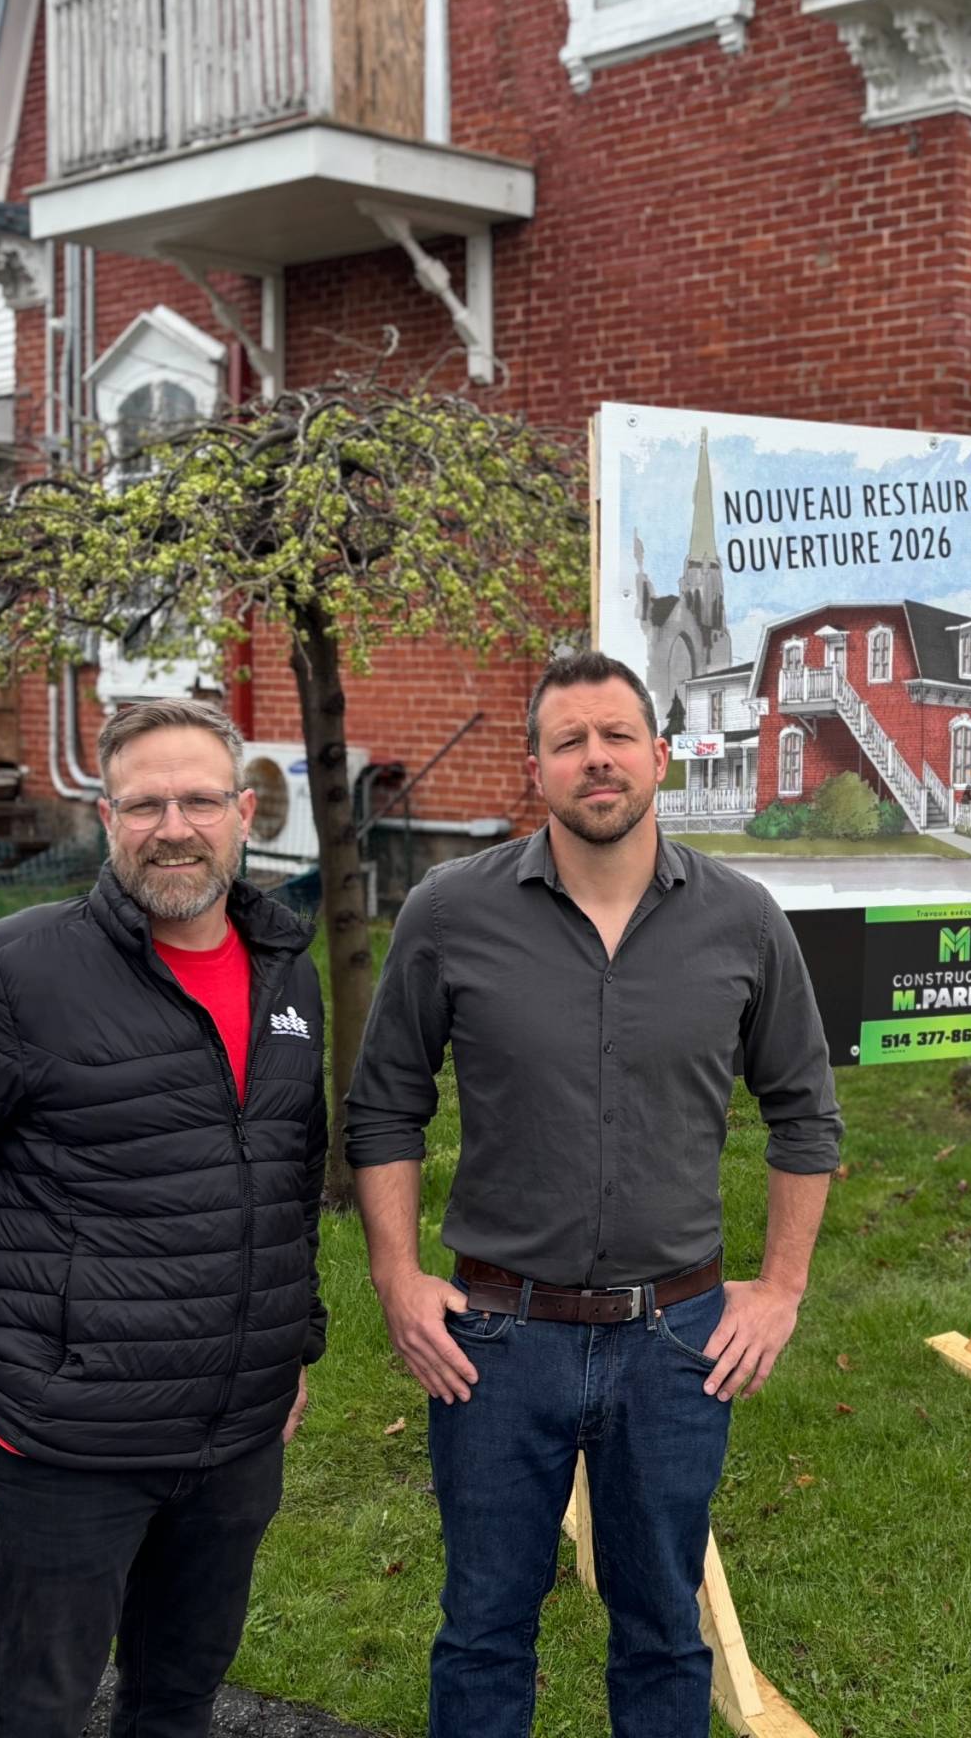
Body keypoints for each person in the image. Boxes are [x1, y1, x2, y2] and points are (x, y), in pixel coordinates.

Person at [347, 651, 840, 1738]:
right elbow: (383, 1105)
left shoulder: (743, 921)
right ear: (535, 769)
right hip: (495, 1341)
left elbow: (805, 1111)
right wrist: (395, 1275)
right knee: (482, 1626)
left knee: (663, 1626)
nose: (596, 759)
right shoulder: (449, 912)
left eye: (616, 735)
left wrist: (782, 1289)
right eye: (568, 741)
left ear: (660, 755)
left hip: (676, 1343)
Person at [0, 697, 326, 1738]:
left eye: (197, 800)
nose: (173, 827)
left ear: (243, 814)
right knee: (34, 1711)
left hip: (234, 1437)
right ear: (106, 817)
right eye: (146, 804)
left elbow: (281, 1173)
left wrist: (292, 1342)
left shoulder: (288, 971)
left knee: (178, 1702)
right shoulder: (15, 975)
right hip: (68, 1442)